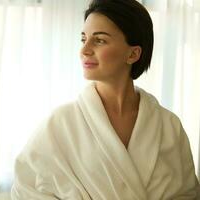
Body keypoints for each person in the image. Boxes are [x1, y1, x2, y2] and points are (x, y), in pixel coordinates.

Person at [11, 0, 200, 199]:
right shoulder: (59, 125)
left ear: (133, 53)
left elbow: (187, 193)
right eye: (83, 39)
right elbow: (26, 189)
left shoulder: (168, 126)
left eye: (99, 40)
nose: (85, 50)